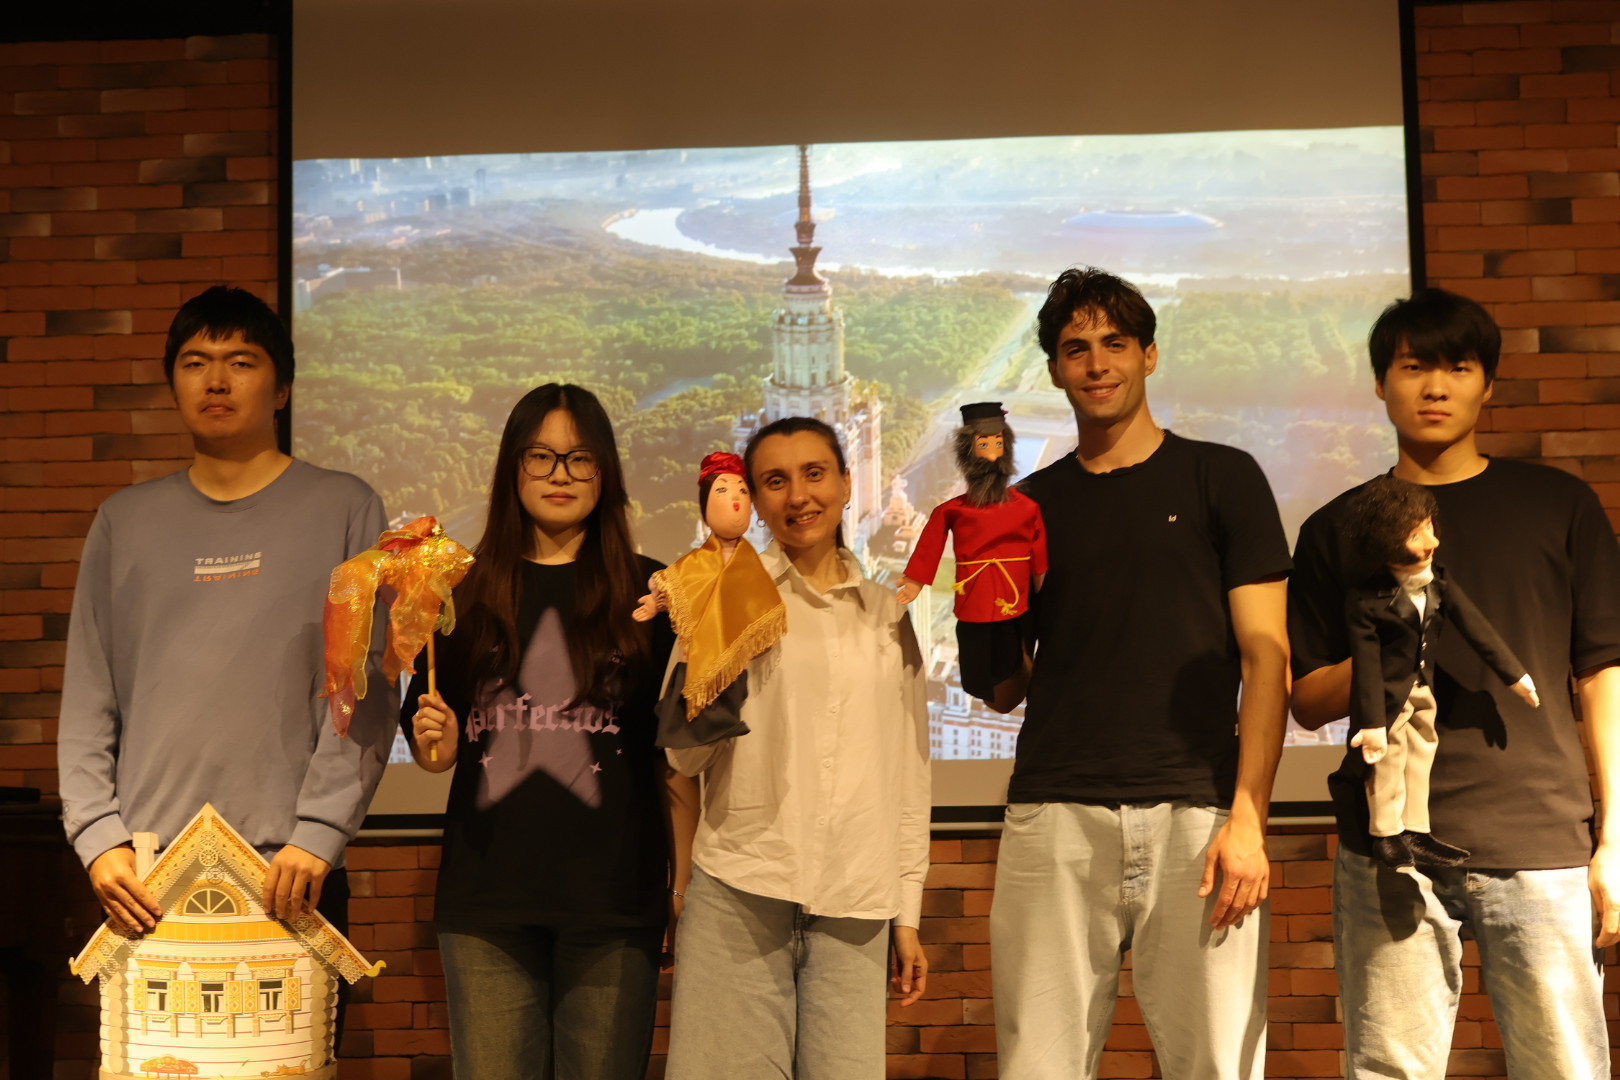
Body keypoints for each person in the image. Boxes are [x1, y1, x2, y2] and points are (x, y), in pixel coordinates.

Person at [1288, 287, 1620, 1079]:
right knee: (1389, 1069)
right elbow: (1308, 697)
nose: (1434, 387)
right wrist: (1388, 644)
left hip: (1541, 838)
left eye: (1458, 367)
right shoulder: (1336, 526)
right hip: (1388, 848)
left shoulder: (1558, 506)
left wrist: (1615, 836)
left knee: (1565, 1068)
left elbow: (1601, 672)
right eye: (1413, 368)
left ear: (1488, 383)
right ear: (1381, 382)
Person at [988, 267, 1291, 1080]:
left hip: (1200, 817)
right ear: (1055, 369)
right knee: (1037, 1067)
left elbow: (1268, 656)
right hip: (1054, 814)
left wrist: (1249, 817)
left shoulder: (1223, 478)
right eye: (1075, 348)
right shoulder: (1026, 507)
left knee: (1218, 1066)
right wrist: (982, 600)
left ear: (1149, 355)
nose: (1096, 364)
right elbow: (1004, 688)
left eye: (1114, 343)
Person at [58, 285, 395, 942]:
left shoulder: (345, 508)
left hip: (292, 868)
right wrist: (98, 838)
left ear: (282, 389)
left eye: (241, 362)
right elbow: (88, 694)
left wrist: (319, 832)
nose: (216, 380)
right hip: (146, 871)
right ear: (173, 385)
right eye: (195, 363)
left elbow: (365, 686)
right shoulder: (123, 521)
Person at [403, 383, 685, 1080]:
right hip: (486, 906)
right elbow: (435, 752)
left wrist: (680, 885)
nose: (560, 475)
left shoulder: (651, 594)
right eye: (541, 456)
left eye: (579, 458)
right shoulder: (459, 591)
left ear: (605, 472)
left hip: (616, 904)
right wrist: (435, 741)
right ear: (513, 467)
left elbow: (672, 760)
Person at [662, 416, 931, 1079]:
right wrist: (710, 647)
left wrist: (907, 913)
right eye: (775, 481)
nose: (799, 496)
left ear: (846, 483)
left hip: (856, 900)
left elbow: (909, 771)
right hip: (740, 889)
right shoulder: (726, 595)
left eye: (815, 474)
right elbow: (683, 759)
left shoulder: (887, 615)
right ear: (753, 499)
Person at [1341, 475, 1539, 871]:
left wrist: (1515, 675)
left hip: (1423, 687)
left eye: (1429, 527)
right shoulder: (1366, 600)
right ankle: (1387, 832)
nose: (1431, 542)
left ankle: (1416, 829)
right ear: (1384, 541)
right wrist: (1372, 723)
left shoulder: (1438, 582)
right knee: (1389, 760)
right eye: (1415, 535)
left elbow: (1476, 627)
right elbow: (1366, 663)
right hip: (1388, 699)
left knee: (1421, 752)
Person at [897, 401, 1047, 703]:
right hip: (974, 596)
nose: (992, 452)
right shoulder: (954, 510)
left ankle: (1011, 683)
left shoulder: (1027, 508)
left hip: (1012, 595)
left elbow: (1038, 550)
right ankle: (981, 688)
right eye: (983, 444)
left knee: (1010, 653)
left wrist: (1043, 588)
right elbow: (932, 539)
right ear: (969, 452)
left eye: (998, 443)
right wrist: (916, 579)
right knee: (975, 655)